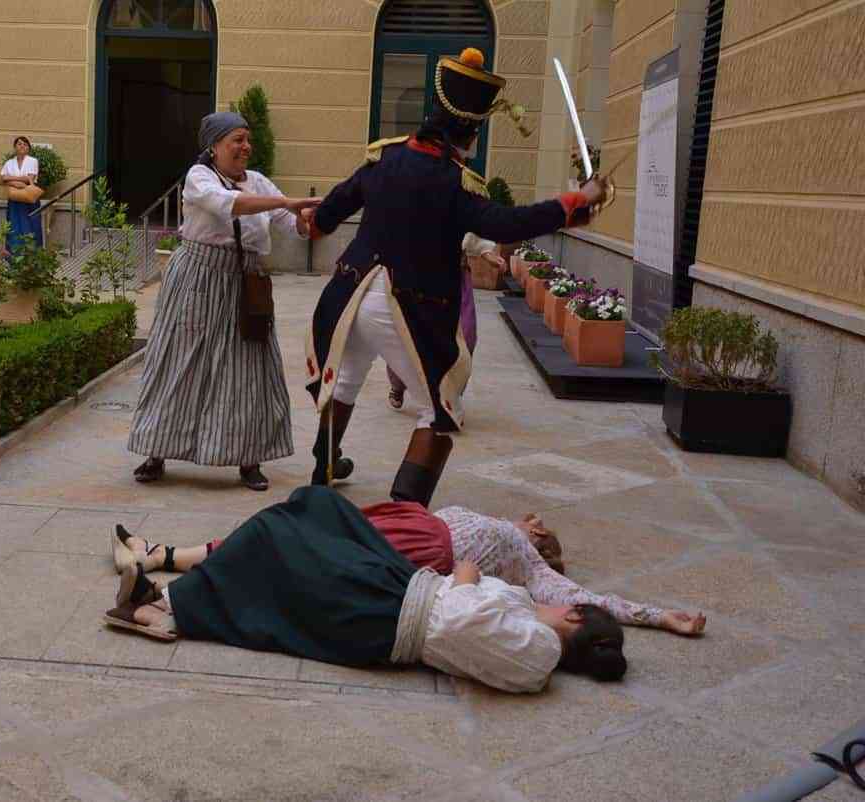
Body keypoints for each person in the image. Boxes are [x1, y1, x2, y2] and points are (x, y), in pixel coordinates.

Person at [302, 48, 613, 507]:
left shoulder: (382, 158)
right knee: (440, 407)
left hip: (350, 294)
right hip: (403, 304)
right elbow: (506, 224)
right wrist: (574, 201)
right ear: (468, 131)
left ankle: (321, 475)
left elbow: (328, 214)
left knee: (345, 379)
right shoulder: (455, 182)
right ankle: (407, 513)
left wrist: (312, 223)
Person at [104, 486, 626, 693]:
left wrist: (467, 578)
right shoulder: (533, 632)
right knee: (319, 507)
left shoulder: (539, 652)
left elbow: (462, 623)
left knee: (274, 540)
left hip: (394, 611)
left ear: (575, 616)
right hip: (400, 589)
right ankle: (163, 599)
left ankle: (165, 604)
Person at [111, 500, 706, 637]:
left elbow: (588, 599)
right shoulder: (496, 524)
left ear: (542, 545)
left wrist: (660, 616)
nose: (533, 523)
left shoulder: (527, 564)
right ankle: (161, 557)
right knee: (288, 526)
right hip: (406, 522)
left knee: (288, 545)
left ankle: (164, 572)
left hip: (414, 548)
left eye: (539, 529)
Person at [127, 112, 320, 491]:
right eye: (237, 139)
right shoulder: (199, 178)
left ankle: (249, 460)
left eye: (247, 139)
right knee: (178, 363)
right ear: (214, 146)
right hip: (196, 279)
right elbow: (229, 204)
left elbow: (291, 225)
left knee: (249, 371)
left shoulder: (259, 182)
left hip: (246, 284)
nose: (246, 146)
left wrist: (304, 219)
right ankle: (156, 451)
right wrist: (287, 201)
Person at [387, 233, 502, 409]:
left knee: (467, 336)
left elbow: (473, 226)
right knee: (409, 334)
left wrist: (486, 252)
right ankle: (398, 383)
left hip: (456, 279)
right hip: (419, 276)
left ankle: (451, 393)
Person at [0, 135, 43, 252]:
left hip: (29, 200)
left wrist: (9, 179)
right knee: (14, 228)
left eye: (25, 144)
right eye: (19, 144)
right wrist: (16, 182)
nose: (22, 146)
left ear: (28, 148)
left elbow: (29, 178)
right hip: (14, 200)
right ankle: (13, 256)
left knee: (31, 227)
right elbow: (0, 180)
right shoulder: (9, 163)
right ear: (15, 147)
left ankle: (32, 255)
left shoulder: (33, 161)